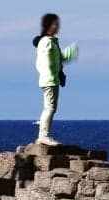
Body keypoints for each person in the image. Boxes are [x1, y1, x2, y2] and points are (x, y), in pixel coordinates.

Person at [32, 13, 77, 146]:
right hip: (49, 79)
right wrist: (56, 73)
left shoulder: (51, 41)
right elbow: (46, 62)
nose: (58, 26)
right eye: (55, 24)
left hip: (50, 79)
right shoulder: (46, 42)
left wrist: (71, 52)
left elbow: (58, 58)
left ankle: (43, 133)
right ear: (48, 26)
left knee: (49, 108)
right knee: (50, 108)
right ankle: (43, 136)